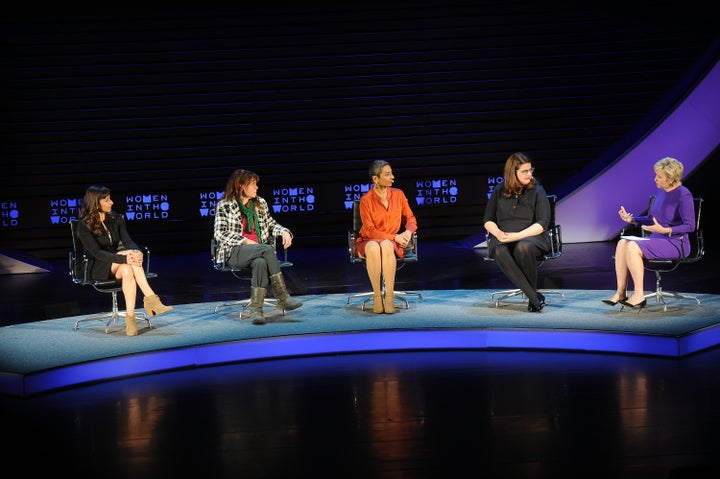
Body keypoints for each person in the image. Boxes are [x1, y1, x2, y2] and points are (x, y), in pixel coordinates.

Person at [75, 185, 173, 336]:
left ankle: (130, 318)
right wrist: (125, 257)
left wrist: (137, 252)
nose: (111, 202)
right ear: (96, 203)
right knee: (128, 259)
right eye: (106, 200)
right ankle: (152, 300)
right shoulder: (84, 226)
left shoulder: (116, 218)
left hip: (117, 263)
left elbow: (128, 242)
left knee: (128, 268)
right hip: (95, 265)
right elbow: (96, 253)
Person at [603, 157, 695, 310]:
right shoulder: (661, 192)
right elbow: (651, 218)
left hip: (676, 242)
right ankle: (621, 292)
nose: (655, 179)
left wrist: (666, 230)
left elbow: (690, 226)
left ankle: (639, 295)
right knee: (622, 243)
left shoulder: (683, 195)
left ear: (671, 178)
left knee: (632, 247)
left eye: (659, 177)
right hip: (657, 239)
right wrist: (632, 219)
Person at [213, 168, 302, 325]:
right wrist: (244, 241)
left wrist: (284, 232)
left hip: (259, 253)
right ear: (241, 186)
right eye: (253, 184)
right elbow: (220, 234)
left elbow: (271, 224)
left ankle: (256, 311)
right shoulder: (225, 205)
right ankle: (282, 297)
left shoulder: (260, 203)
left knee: (260, 262)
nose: (257, 188)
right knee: (267, 249)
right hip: (234, 252)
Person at [483, 152, 551, 313]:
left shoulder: (537, 190)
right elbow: (488, 220)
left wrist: (518, 236)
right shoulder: (499, 191)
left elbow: (543, 223)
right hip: (504, 236)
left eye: (530, 170)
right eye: (525, 171)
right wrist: (498, 234)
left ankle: (532, 297)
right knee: (498, 250)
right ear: (513, 173)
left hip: (532, 237)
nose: (530, 174)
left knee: (523, 247)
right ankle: (534, 296)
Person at [355, 160, 418, 314]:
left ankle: (389, 297)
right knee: (374, 246)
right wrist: (394, 237)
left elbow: (411, 219)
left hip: (391, 242)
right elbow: (369, 231)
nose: (392, 177)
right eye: (387, 174)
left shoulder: (399, 194)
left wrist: (407, 232)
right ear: (375, 179)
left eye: (391, 173)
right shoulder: (366, 200)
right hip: (369, 241)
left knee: (386, 245)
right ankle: (378, 296)